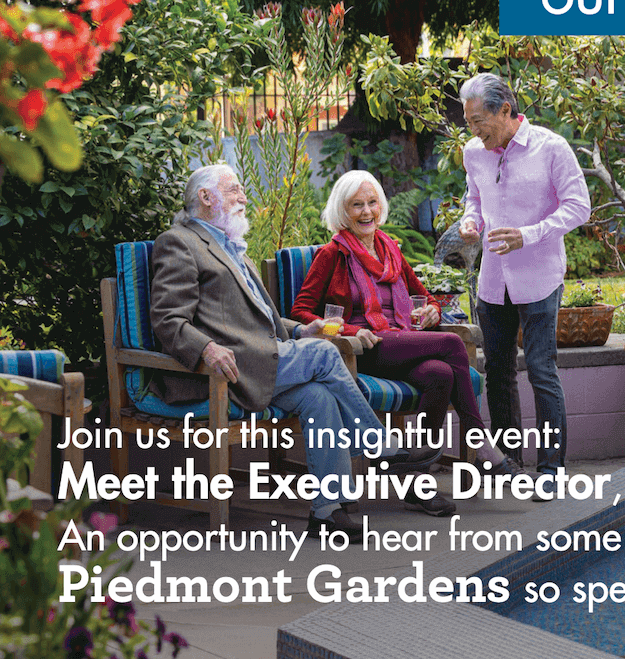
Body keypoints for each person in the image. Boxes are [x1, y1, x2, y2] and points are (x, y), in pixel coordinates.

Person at [149, 164, 437, 543]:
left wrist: (301, 329)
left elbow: (258, 319)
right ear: (206, 198)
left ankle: (327, 512)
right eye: (234, 189)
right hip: (221, 370)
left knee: (318, 398)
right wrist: (206, 347)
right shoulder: (180, 242)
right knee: (324, 355)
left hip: (258, 362)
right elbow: (168, 319)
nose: (243, 196)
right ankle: (381, 447)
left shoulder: (230, 245)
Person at [291, 170, 522, 516]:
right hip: (363, 348)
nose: (366, 211)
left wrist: (429, 308)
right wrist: (345, 332)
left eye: (372, 202)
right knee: (452, 345)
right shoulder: (332, 254)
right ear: (344, 210)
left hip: (401, 340)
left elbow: (422, 293)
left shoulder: (389, 249)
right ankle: (482, 445)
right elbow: (300, 311)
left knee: (440, 374)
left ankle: (418, 485)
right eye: (357, 205)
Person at [457, 73, 591, 478]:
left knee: (541, 370)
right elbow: (474, 197)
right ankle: (508, 467)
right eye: (469, 123)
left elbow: (578, 207)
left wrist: (528, 235)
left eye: (480, 121)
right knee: (496, 371)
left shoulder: (552, 148)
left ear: (505, 111)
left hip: (539, 278)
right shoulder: (474, 153)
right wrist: (470, 221)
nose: (474, 131)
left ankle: (551, 470)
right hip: (492, 282)